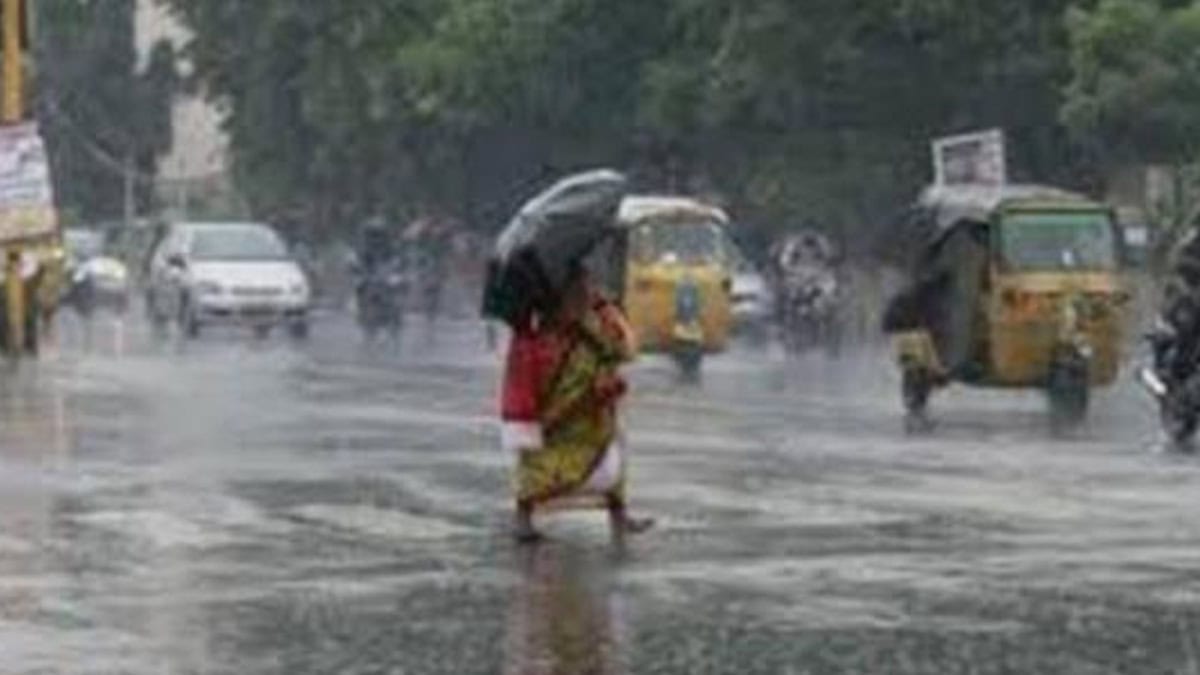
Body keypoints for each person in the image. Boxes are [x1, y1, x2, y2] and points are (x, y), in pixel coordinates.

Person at [500, 264, 653, 543]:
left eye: (587, 285)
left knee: (611, 460)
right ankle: (523, 517)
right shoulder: (540, 331)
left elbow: (624, 349)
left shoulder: (599, 315)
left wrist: (611, 312)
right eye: (579, 286)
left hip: (593, 412)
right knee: (540, 463)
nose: (585, 291)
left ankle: (619, 518)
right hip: (559, 411)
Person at [1152, 228, 1200, 380]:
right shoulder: (1193, 239)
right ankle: (1176, 367)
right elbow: (1180, 262)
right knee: (1187, 323)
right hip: (1191, 293)